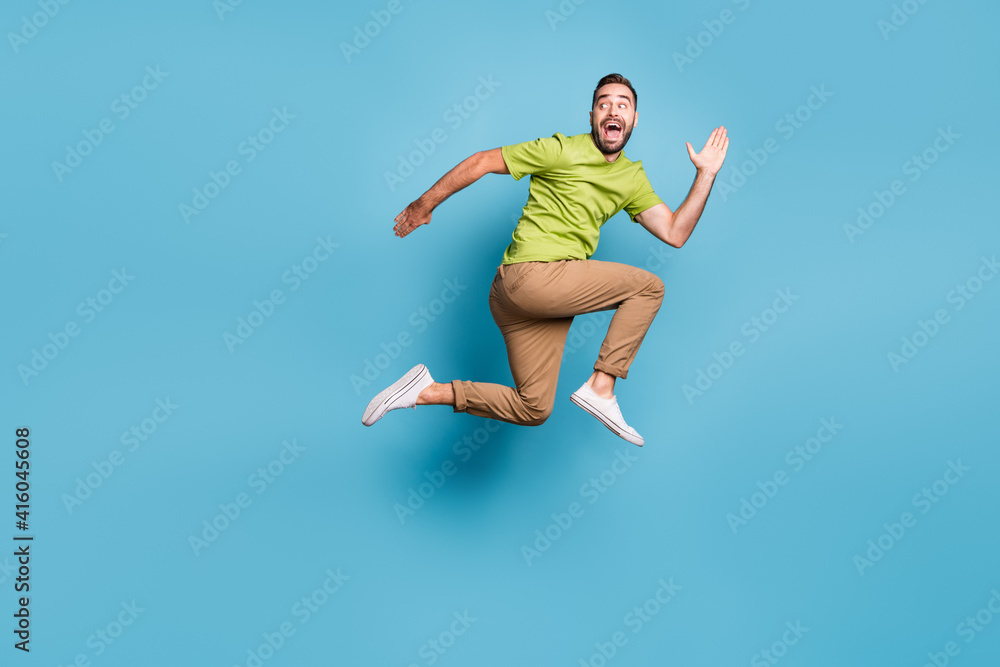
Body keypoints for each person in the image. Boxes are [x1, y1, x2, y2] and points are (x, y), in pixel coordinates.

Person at [362, 73, 728, 446]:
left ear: (634, 119)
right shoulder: (561, 149)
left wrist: (706, 175)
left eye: (623, 104)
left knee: (534, 407)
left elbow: (675, 233)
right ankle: (602, 387)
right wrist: (423, 205)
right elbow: (484, 160)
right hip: (531, 276)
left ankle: (426, 391)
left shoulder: (631, 177)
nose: (612, 110)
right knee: (649, 289)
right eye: (603, 103)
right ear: (591, 116)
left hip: (525, 300)